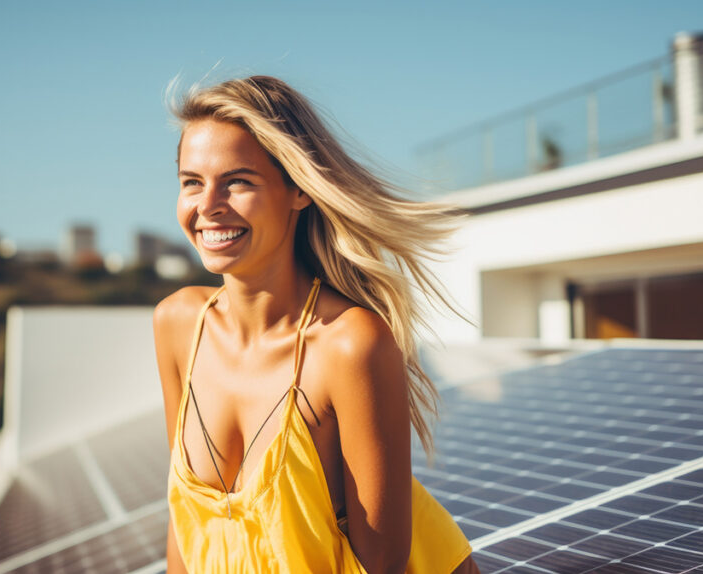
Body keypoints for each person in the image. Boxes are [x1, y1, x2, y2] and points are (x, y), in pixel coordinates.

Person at [153, 75, 480, 573]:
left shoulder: (349, 345)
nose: (208, 205)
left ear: (299, 191)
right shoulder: (178, 325)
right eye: (191, 181)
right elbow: (186, 526)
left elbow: (383, 566)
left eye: (238, 181)